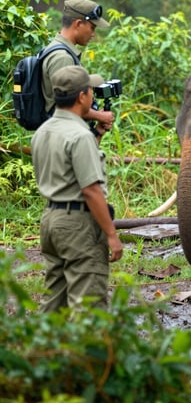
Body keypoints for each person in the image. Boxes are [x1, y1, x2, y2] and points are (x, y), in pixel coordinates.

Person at [31, 65, 123, 312]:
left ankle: (41, 349)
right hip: (78, 226)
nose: (92, 95)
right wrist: (112, 235)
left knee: (54, 302)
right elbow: (90, 190)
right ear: (82, 96)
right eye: (90, 90)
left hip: (51, 221)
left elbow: (66, 166)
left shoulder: (43, 131)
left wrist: (97, 135)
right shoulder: (79, 136)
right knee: (88, 306)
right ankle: (84, 351)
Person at [41, 0, 115, 136]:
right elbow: (66, 107)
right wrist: (100, 116)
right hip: (62, 136)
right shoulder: (62, 57)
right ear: (79, 24)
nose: (93, 34)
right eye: (92, 28)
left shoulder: (59, 49)